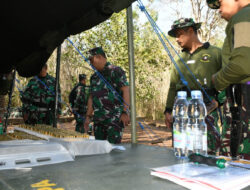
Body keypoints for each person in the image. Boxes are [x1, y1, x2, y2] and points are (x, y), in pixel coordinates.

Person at [164, 18, 223, 155]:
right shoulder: (179, 60)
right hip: (182, 111)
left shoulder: (215, 53)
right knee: (183, 151)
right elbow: (173, 86)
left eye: (179, 35)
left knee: (208, 151)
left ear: (190, 31)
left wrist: (219, 100)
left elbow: (228, 78)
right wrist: (168, 110)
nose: (177, 39)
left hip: (207, 109)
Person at [207, 0, 250, 160]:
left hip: (244, 98)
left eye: (221, 1)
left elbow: (242, 65)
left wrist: (217, 79)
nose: (219, 8)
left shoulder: (244, 16)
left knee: (239, 161)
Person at [84, 47, 130, 144]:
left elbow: (126, 90)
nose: (90, 63)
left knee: (113, 151)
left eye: (91, 60)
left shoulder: (115, 71)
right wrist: (88, 116)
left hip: (114, 120)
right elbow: (91, 97)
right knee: (100, 151)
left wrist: (125, 112)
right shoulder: (94, 77)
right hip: (98, 121)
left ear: (99, 57)